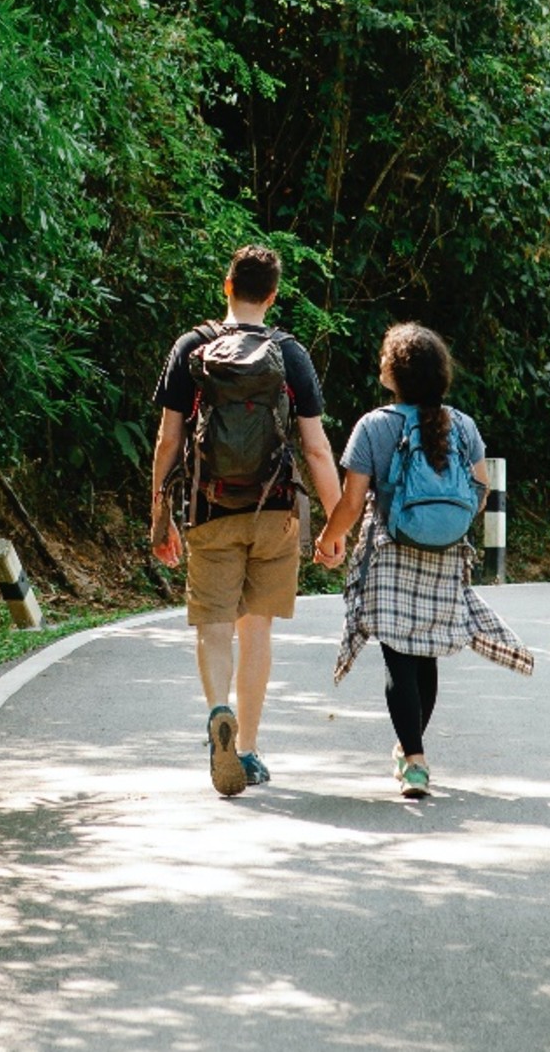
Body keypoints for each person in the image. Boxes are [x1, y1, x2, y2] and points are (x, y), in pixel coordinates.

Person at [150, 245, 343, 797]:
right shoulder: (289, 354)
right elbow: (316, 449)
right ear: (274, 295)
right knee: (255, 627)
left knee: (213, 624)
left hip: (210, 508)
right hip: (274, 511)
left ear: (226, 286)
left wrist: (159, 519)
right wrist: (336, 525)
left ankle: (218, 713)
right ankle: (250, 749)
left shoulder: (192, 347)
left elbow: (169, 440)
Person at [315, 322, 532, 798]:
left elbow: (352, 504)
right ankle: (410, 752)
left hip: (392, 552)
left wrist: (329, 538)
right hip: (445, 555)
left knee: (398, 656)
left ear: (393, 373)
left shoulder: (375, 426)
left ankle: (414, 759)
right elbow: (480, 491)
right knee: (425, 655)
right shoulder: (464, 426)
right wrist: (444, 524)